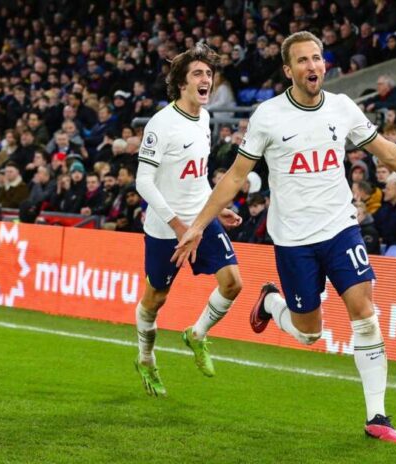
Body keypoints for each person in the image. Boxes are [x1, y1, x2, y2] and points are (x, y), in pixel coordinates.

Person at [172, 31, 396, 443]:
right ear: (288, 70)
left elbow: (387, 151)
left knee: (364, 311)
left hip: (340, 227)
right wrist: (199, 225)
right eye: (303, 61)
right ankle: (271, 303)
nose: (313, 66)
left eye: (317, 58)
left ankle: (378, 414)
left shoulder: (342, 108)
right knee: (309, 333)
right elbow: (236, 176)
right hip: (293, 240)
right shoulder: (269, 116)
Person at [132, 43, 244, 397]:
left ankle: (197, 334)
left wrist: (214, 208)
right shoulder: (161, 124)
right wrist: (178, 225)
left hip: (200, 218)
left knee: (233, 283)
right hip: (166, 228)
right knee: (155, 300)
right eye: (198, 73)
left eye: (209, 74)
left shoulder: (206, 119)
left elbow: (196, 176)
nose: (206, 79)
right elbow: (143, 181)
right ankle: (146, 358)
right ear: (181, 82)